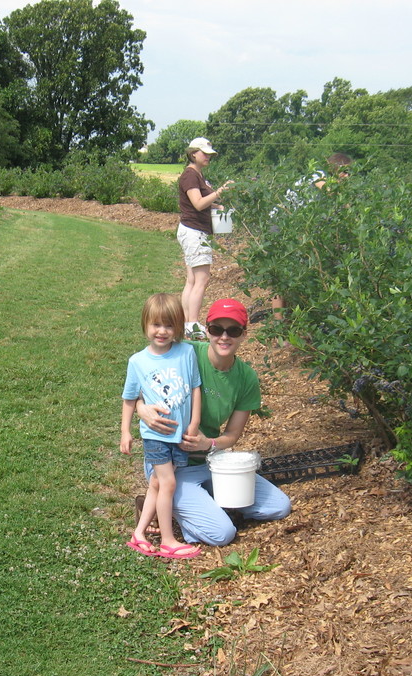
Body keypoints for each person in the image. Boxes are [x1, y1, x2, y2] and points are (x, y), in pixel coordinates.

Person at [136, 298, 292, 547]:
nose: (224, 337)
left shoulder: (246, 378)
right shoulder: (186, 352)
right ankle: (160, 504)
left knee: (278, 506)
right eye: (217, 329)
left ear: (244, 334)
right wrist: (141, 408)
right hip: (171, 465)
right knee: (222, 533)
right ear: (207, 331)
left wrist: (207, 444)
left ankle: (199, 503)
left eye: (233, 331)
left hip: (211, 461)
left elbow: (232, 435)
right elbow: (143, 373)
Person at [121, 293, 202, 559]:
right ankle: (168, 540)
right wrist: (125, 432)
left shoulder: (186, 352)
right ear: (145, 324)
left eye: (169, 325)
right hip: (155, 435)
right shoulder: (138, 361)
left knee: (156, 483)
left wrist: (194, 422)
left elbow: (195, 387)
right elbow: (129, 399)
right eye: (156, 324)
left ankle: (139, 533)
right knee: (168, 483)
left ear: (177, 327)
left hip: (180, 434)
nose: (162, 331)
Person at [271, 153, 354, 321]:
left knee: (303, 272)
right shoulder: (318, 174)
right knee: (283, 276)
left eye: (349, 173)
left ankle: (297, 321)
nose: (347, 176)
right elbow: (331, 192)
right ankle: (279, 326)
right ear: (334, 168)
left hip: (297, 227)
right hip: (280, 225)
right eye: (344, 172)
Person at [177, 138, 233, 339]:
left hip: (194, 230)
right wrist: (220, 192)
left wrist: (217, 206)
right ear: (193, 153)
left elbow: (202, 203)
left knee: (192, 280)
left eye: (210, 154)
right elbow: (198, 203)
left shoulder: (197, 175)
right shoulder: (190, 176)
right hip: (195, 231)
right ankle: (192, 324)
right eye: (205, 153)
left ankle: (187, 323)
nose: (208, 156)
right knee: (202, 279)